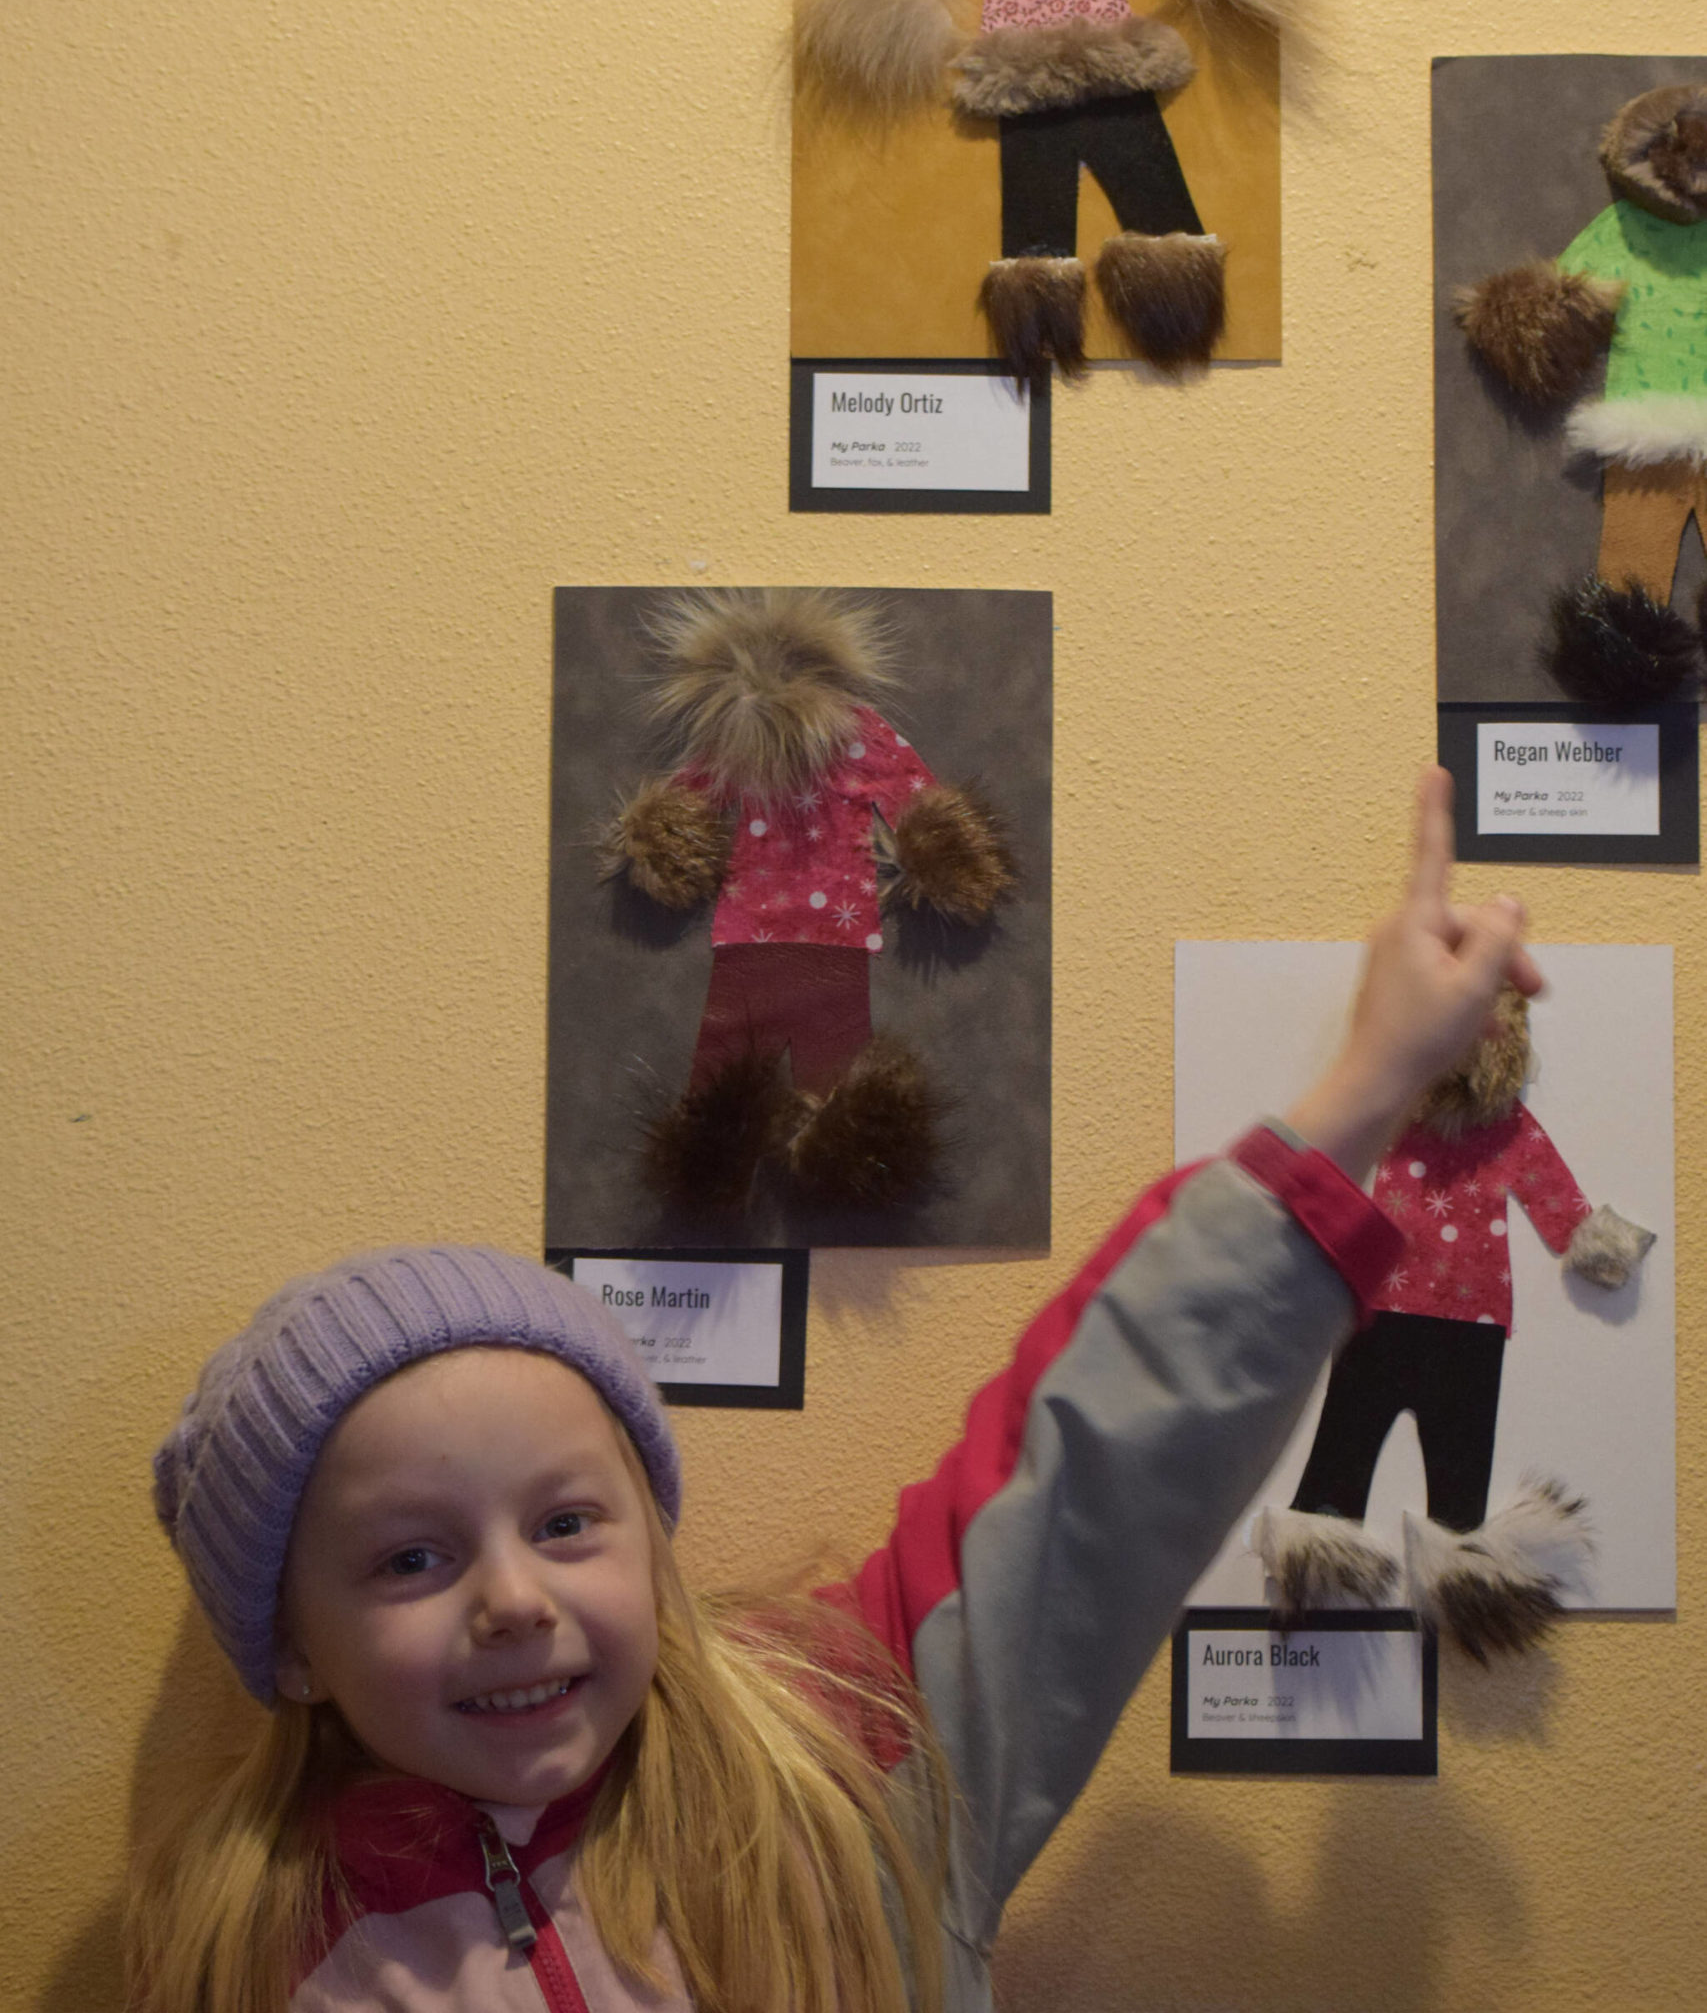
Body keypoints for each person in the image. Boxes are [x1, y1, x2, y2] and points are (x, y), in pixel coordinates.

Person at [132, 769, 1538, 2013]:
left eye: (568, 1522)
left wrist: (1369, 1085)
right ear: (294, 1643)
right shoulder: (250, 1961)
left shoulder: (846, 1770)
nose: (513, 1599)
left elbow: (1099, 1463)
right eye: (412, 1557)